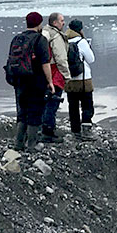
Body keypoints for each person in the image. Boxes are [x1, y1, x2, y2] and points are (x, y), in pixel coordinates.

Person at [4, 11, 54, 151]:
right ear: (39, 24)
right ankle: (32, 144)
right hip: (35, 80)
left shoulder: (17, 38)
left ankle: (18, 143)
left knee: (22, 112)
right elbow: (45, 63)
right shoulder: (40, 39)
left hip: (19, 80)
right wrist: (50, 82)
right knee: (35, 111)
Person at [42, 12, 73, 143]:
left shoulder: (43, 33)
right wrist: (67, 76)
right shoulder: (56, 36)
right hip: (55, 73)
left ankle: (39, 130)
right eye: (61, 20)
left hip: (43, 72)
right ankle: (49, 132)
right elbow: (61, 58)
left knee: (44, 102)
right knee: (52, 103)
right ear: (54, 23)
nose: (63, 23)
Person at [63, 18, 96, 137]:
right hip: (83, 80)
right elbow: (91, 59)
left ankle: (75, 131)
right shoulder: (81, 41)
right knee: (87, 105)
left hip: (69, 79)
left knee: (73, 106)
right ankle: (86, 130)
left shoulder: (63, 41)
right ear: (80, 29)